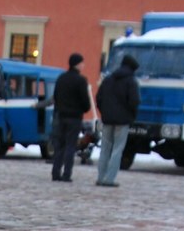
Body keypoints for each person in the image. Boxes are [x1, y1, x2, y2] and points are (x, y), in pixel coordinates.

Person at [94, 54, 140, 187]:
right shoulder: (131, 81)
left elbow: (99, 98)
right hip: (123, 121)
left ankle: (100, 177)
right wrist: (131, 116)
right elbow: (134, 101)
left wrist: (104, 112)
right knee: (117, 150)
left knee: (105, 149)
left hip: (107, 120)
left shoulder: (108, 79)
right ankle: (110, 179)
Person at [48, 52, 91, 183]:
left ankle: (55, 172)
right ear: (77, 64)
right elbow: (86, 102)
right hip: (74, 118)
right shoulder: (81, 80)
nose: (83, 65)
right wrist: (83, 109)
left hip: (60, 115)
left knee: (59, 145)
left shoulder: (61, 78)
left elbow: (55, 96)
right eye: (82, 62)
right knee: (70, 146)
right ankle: (67, 174)